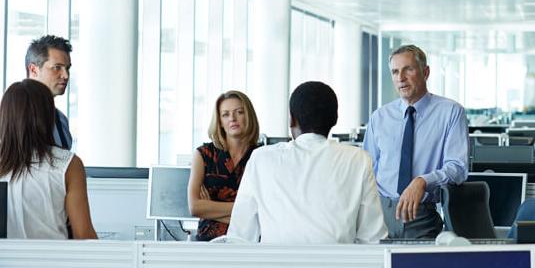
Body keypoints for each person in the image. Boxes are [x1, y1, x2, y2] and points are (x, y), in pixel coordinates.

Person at [226, 81, 387, 244]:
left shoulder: (261, 159)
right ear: (335, 119)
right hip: (338, 267)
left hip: (275, 267)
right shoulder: (358, 159)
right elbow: (372, 238)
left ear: (291, 120)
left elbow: (240, 236)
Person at [363, 45, 468, 239]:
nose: (400, 78)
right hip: (379, 217)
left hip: (421, 216)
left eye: (408, 69)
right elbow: (368, 169)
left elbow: (458, 167)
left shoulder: (451, 112)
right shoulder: (379, 117)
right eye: (395, 71)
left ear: (425, 72)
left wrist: (423, 181)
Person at [0, 80, 96, 239]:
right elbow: (84, 235)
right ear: (48, 116)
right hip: (51, 262)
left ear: (4, 117)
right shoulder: (67, 164)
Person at [187, 90, 262, 241]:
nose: (232, 118)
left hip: (247, 243)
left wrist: (210, 208)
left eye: (239, 112)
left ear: (249, 116)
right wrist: (246, 211)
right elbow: (195, 207)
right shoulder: (203, 155)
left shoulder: (262, 156)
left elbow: (265, 211)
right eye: (225, 114)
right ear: (219, 121)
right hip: (209, 243)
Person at [25, 35, 73, 150]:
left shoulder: (61, 120)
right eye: (57, 67)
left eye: (67, 68)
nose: (65, 75)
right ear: (33, 70)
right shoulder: (15, 114)